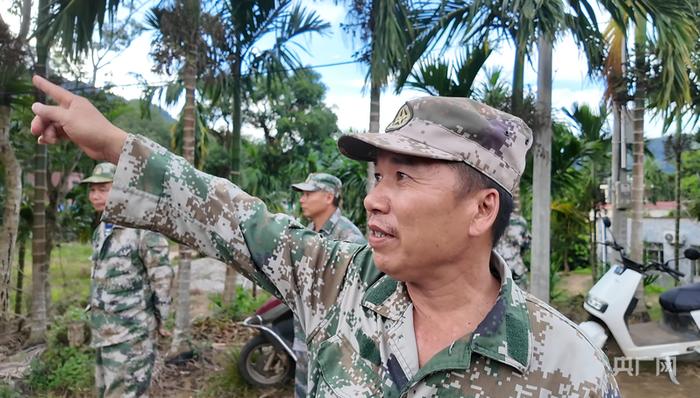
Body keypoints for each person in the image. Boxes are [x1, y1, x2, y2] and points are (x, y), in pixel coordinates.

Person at [31, 75, 620, 397]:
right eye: (376, 176)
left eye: (404, 177)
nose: (374, 198)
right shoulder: (337, 279)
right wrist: (112, 143)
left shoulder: (570, 370)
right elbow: (231, 217)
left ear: (481, 208)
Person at [82, 162, 174, 398]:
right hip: (104, 332)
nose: (95, 196)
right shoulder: (102, 227)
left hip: (132, 334)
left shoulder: (143, 226)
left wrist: (162, 320)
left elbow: (161, 275)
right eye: (92, 190)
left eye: (103, 189)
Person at [291, 172, 366, 397]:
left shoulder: (349, 238)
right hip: (305, 331)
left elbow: (356, 295)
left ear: (328, 197)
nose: (302, 199)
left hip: (334, 341)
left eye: (308, 193)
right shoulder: (307, 233)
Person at [495, 213, 531, 290]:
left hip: (516, 273)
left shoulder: (520, 222)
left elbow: (526, 244)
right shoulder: (489, 221)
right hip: (496, 274)